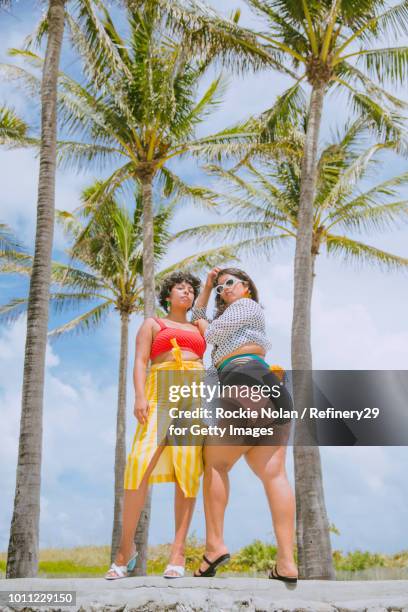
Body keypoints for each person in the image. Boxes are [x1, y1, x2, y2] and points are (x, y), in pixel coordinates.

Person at [191, 267, 298, 583]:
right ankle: (287, 562)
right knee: (274, 473)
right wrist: (208, 288)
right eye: (222, 287)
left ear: (248, 287)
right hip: (269, 385)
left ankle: (214, 546)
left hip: (241, 378)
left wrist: (203, 321)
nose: (225, 289)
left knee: (216, 465)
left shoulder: (246, 306)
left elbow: (207, 333)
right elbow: (201, 315)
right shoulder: (233, 312)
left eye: (230, 283)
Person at [105, 271, 206, 580]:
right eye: (181, 288)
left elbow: (219, 337)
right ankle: (125, 550)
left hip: (194, 390)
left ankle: (178, 552)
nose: (186, 293)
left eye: (191, 290)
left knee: (188, 470)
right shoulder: (153, 324)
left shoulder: (198, 325)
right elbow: (139, 361)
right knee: (138, 463)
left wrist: (212, 282)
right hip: (159, 389)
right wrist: (139, 396)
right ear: (168, 295)